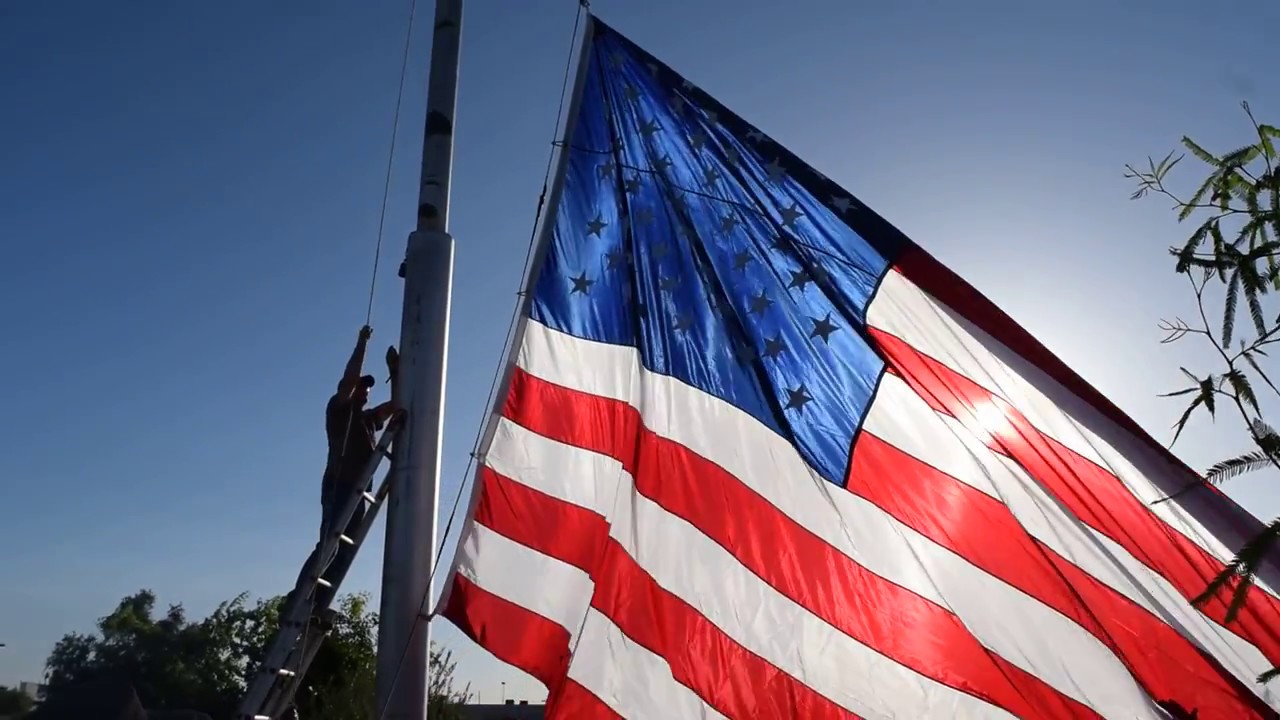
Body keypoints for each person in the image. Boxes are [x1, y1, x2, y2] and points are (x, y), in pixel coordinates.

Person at [289, 324, 400, 624]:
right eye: (362, 387)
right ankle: (297, 600)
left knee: (345, 549)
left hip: (357, 491)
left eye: (368, 388)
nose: (365, 391)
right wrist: (362, 344)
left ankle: (317, 604)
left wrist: (396, 373)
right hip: (338, 486)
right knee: (330, 544)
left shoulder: (367, 420)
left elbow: (395, 406)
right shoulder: (339, 410)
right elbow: (349, 381)